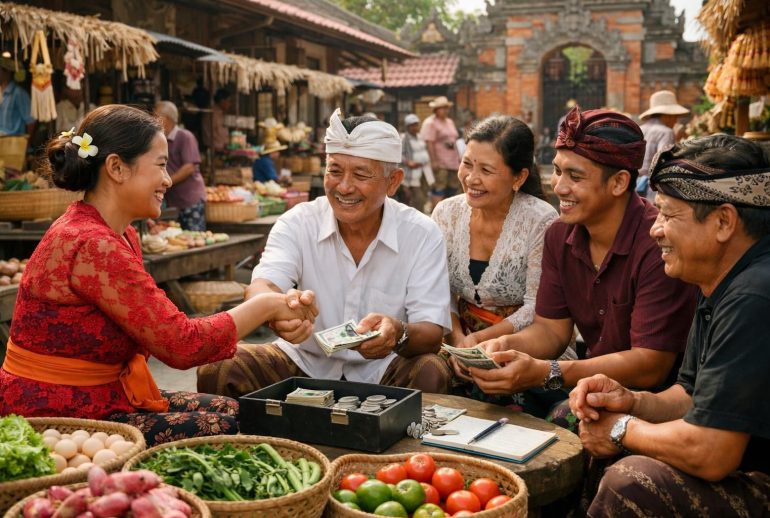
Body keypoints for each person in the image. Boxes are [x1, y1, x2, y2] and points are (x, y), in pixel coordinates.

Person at [0, 105, 314, 446]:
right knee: (223, 424)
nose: (168, 180)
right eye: (162, 166)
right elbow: (182, 344)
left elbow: (163, 327)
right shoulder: (91, 244)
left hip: (102, 392)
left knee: (236, 409)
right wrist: (267, 305)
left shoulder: (119, 234)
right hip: (56, 407)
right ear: (117, 168)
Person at [570, 134, 770, 516]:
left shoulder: (754, 295)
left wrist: (621, 428)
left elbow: (712, 452)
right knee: (583, 424)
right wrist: (631, 402)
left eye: (668, 214)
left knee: (630, 481)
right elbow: (692, 395)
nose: (654, 229)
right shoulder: (719, 280)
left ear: (724, 221)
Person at [465, 107, 698, 427]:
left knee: (566, 418)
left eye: (575, 176)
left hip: (655, 400)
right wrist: (505, 347)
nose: (558, 186)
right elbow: (551, 330)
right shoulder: (560, 235)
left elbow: (651, 364)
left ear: (618, 183)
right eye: (558, 171)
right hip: (589, 383)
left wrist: (548, 372)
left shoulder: (657, 242)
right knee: (482, 393)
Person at [197, 108, 453, 398]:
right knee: (219, 369)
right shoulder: (298, 221)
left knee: (431, 371)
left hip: (384, 369)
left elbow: (431, 333)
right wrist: (277, 308)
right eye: (334, 171)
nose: (344, 187)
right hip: (303, 363)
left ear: (393, 181)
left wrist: (398, 332)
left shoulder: (421, 233)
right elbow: (262, 285)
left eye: (360, 174)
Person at [432, 115, 559, 408]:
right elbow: (438, 291)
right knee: (427, 378)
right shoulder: (445, 213)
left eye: (486, 170)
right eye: (467, 164)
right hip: (457, 339)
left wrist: (480, 341)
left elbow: (536, 307)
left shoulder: (541, 220)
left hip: (521, 345)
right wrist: (459, 339)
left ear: (519, 178)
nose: (471, 178)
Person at [154, 101, 207, 231]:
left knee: (195, 238)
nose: (153, 120)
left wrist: (167, 181)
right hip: (174, 201)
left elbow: (189, 167)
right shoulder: (160, 140)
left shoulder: (185, 136)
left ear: (166, 118)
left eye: (156, 116)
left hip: (190, 199)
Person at [637, 90, 690, 197]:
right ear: (668, 115)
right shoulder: (666, 132)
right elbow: (663, 162)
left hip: (634, 184)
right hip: (651, 188)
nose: (675, 121)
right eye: (675, 117)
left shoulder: (639, 129)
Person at [421, 96, 461, 211]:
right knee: (439, 188)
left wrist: (459, 158)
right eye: (442, 108)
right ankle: (437, 214)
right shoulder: (431, 123)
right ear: (436, 109)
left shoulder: (449, 122)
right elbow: (429, 143)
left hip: (452, 161)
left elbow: (454, 141)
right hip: (440, 162)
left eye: (446, 108)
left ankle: (450, 213)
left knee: (453, 188)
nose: (445, 110)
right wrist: (433, 161)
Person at [401, 113, 433, 213]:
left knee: (424, 195)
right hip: (412, 172)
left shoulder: (420, 136)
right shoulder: (404, 138)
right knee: (417, 197)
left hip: (424, 170)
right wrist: (407, 162)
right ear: (407, 127)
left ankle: (420, 215)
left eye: (416, 124)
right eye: (412, 125)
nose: (415, 127)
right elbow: (398, 154)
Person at [0, 57, 33, 137]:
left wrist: (26, 145)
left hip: (13, 143)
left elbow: (31, 122)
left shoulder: (18, 93)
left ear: (7, 71)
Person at [202, 88, 232, 152]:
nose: (230, 104)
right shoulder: (212, 113)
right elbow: (212, 134)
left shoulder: (220, 113)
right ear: (222, 101)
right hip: (215, 149)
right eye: (228, 101)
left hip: (221, 147)